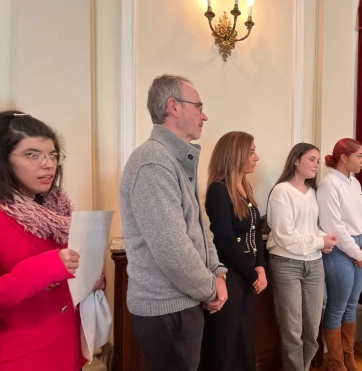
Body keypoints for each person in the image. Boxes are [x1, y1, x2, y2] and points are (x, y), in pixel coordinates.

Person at [0, 111, 104, 371]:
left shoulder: (57, 214)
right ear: (1, 160)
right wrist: (37, 272)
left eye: (52, 155)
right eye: (32, 155)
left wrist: (91, 277)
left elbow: (64, 281)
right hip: (24, 360)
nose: (48, 164)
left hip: (69, 352)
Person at [119, 74, 228, 371]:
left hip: (183, 301)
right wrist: (210, 288)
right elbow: (173, 249)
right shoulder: (153, 161)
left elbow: (200, 227)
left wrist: (217, 272)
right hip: (166, 308)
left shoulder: (174, 158)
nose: (204, 115)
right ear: (173, 107)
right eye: (199, 106)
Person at [266, 142, 338, 371]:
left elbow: (311, 227)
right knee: (292, 330)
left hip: (314, 264)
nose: (316, 164)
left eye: (318, 160)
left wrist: (325, 239)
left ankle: (304, 368)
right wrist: (319, 242)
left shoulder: (313, 192)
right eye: (311, 159)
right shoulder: (281, 191)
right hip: (287, 265)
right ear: (295, 160)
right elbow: (286, 237)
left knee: (312, 329)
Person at [201, 131, 267, 371]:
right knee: (226, 339)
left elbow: (255, 231)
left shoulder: (244, 186)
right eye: (251, 152)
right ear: (235, 154)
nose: (256, 157)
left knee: (245, 337)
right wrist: (252, 274)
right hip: (231, 275)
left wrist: (260, 265)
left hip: (248, 272)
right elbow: (225, 242)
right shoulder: (219, 190)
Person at [316, 138, 362, 371]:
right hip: (340, 248)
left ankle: (349, 357)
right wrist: (358, 254)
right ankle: (335, 362)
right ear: (344, 158)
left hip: (359, 246)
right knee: (337, 307)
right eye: (359, 156)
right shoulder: (329, 184)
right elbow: (334, 227)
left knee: (352, 305)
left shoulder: (355, 183)